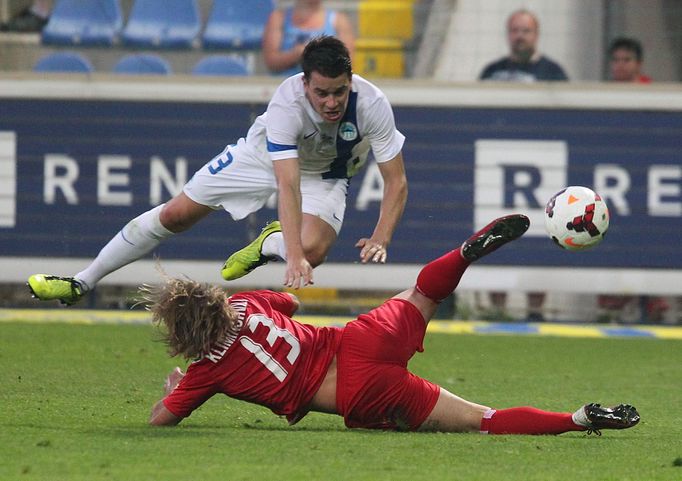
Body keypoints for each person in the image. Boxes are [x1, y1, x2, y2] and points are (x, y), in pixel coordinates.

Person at [145, 214, 640, 435]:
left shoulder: (205, 373)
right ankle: (461, 257)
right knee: (426, 290)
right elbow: (289, 307)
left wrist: (175, 387)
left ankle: (576, 418)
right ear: (215, 299)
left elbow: (161, 420)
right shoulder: (250, 304)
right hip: (361, 338)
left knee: (482, 419)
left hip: (360, 393)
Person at [27, 36, 407, 305]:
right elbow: (286, 183)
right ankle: (82, 281)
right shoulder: (286, 104)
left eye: (339, 92)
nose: (331, 102)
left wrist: (381, 237)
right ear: (304, 83)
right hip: (260, 159)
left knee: (314, 249)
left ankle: (265, 244)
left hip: (327, 173)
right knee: (176, 215)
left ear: (350, 81)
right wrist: (290, 256)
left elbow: (397, 181)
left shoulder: (372, 104)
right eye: (321, 92)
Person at [263, 0, 355, 77]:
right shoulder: (278, 18)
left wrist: (319, 56)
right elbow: (271, 61)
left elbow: (347, 63)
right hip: (285, 85)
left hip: (324, 89)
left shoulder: (338, 20)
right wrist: (296, 54)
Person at [479, 9, 568, 82]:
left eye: (526, 31)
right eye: (515, 30)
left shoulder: (553, 72)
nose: (520, 36)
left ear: (536, 34)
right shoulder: (492, 70)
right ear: (508, 34)